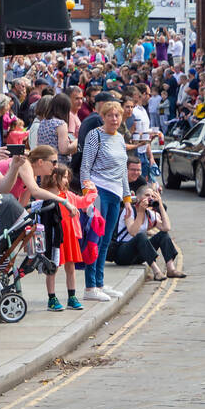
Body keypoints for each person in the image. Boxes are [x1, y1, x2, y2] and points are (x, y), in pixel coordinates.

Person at [79, 100, 130, 302]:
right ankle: (90, 287)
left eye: (117, 115)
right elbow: (85, 167)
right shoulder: (95, 135)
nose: (114, 119)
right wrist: (88, 196)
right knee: (94, 240)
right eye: (110, 115)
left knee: (106, 241)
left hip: (116, 194)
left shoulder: (120, 138)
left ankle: (99, 283)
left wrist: (127, 198)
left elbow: (123, 171)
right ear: (103, 117)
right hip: (99, 191)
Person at [43, 164, 97, 310]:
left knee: (71, 266)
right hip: (55, 236)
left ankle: (72, 297)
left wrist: (92, 191)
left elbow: (83, 201)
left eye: (67, 177)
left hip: (70, 236)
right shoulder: (46, 195)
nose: (67, 181)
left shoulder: (69, 196)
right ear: (55, 177)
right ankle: (52, 298)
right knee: (52, 267)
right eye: (65, 177)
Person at [112, 182, 185, 279]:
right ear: (138, 198)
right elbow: (133, 232)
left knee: (163, 234)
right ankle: (156, 271)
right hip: (123, 253)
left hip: (139, 254)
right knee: (141, 236)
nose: (150, 198)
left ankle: (171, 268)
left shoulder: (149, 213)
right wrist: (140, 212)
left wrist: (160, 204)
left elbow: (166, 227)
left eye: (152, 196)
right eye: (147, 195)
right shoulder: (129, 210)